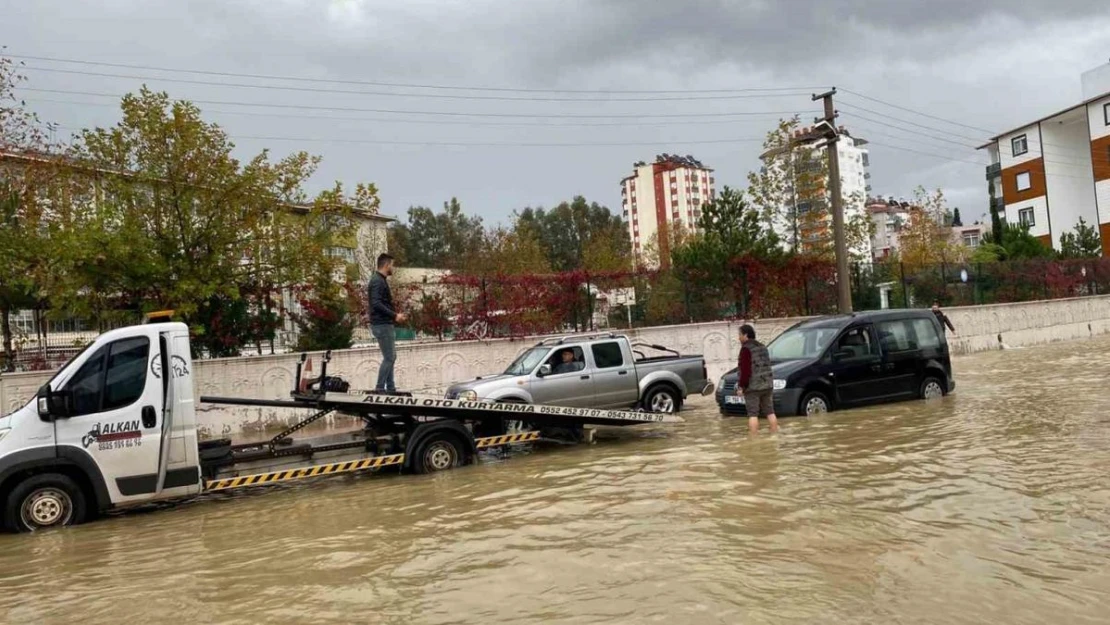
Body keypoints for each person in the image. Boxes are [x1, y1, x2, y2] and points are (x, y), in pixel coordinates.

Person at [369, 253, 406, 392]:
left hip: (383, 323)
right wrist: (395, 315)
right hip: (382, 324)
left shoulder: (379, 280)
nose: (393, 268)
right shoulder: (377, 281)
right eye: (392, 265)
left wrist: (394, 315)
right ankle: (380, 388)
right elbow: (376, 303)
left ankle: (390, 387)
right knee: (390, 357)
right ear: (386, 265)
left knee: (390, 357)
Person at [737, 324, 779, 435]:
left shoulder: (746, 349)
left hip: (753, 387)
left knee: (753, 414)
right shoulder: (763, 347)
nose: (739, 337)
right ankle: (775, 434)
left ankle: (754, 439)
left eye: (740, 335)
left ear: (746, 335)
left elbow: (745, 371)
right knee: (770, 412)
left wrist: (741, 386)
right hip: (767, 385)